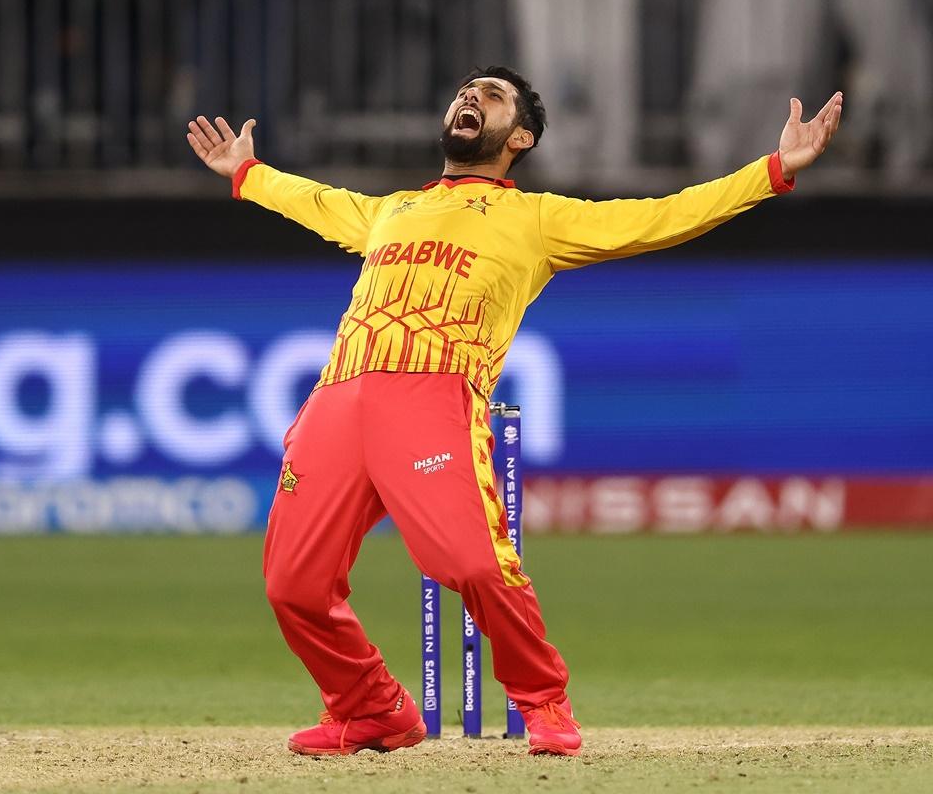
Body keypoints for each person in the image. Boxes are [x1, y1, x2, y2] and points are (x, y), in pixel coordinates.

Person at [186, 66, 842, 757]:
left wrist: (772, 170)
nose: (470, 96)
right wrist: (248, 172)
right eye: (466, 90)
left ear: (519, 137)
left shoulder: (538, 219)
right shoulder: (391, 209)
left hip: (433, 396)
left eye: (491, 95)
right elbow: (315, 200)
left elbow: (662, 215)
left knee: (473, 564)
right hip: (336, 398)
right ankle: (371, 708)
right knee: (292, 583)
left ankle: (543, 700)